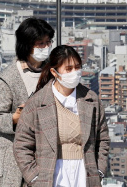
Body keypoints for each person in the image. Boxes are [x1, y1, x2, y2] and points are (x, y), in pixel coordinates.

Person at [14, 45, 110, 187]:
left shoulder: (91, 99)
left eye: (78, 67)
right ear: (54, 71)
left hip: (85, 173)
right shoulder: (37, 103)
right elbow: (21, 145)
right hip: (50, 175)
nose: (75, 73)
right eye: (69, 69)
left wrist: (99, 171)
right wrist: (34, 177)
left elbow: (103, 139)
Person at [0, 17, 55, 187]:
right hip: (13, 160)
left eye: (48, 42)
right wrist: (15, 119)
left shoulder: (53, 73)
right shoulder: (9, 77)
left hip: (44, 155)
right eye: (40, 43)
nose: (46, 47)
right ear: (27, 45)